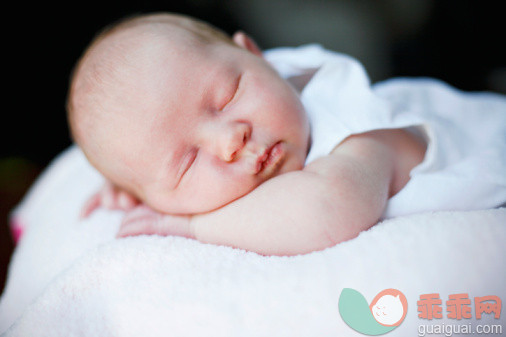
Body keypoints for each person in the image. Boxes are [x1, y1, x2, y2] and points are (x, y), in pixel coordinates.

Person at [67, 12, 506, 256]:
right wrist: (136, 185)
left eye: (228, 95)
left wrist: (190, 223)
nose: (229, 140)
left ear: (258, 56)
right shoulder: (245, 98)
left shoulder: (357, 132)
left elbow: (325, 212)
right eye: (185, 163)